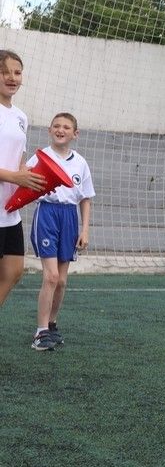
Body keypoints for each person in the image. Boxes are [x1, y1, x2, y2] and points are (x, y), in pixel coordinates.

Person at [28, 113, 95, 351]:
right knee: (51, 276)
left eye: (66, 127)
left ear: (75, 134)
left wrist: (84, 230)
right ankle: (40, 332)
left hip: (69, 218)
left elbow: (85, 198)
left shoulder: (80, 163)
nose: (61, 129)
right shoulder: (40, 158)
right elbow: (24, 183)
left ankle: (52, 325)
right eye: (56, 126)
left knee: (62, 281)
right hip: (47, 214)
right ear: (49, 130)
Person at [0, 50, 46, 312]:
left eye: (17, 72)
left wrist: (27, 181)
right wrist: (15, 176)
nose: (12, 77)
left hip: (8, 211)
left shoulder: (21, 117)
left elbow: (19, 160)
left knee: (14, 271)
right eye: (5, 71)